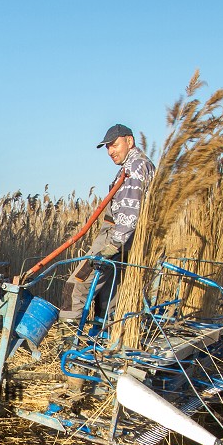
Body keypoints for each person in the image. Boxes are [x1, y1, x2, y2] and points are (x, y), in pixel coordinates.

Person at [60, 123, 155, 322]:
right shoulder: (138, 165)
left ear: (129, 141)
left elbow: (131, 210)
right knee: (109, 294)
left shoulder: (135, 166)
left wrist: (113, 245)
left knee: (76, 286)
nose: (110, 151)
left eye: (114, 145)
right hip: (125, 242)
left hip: (116, 240)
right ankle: (102, 339)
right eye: (107, 147)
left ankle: (67, 346)